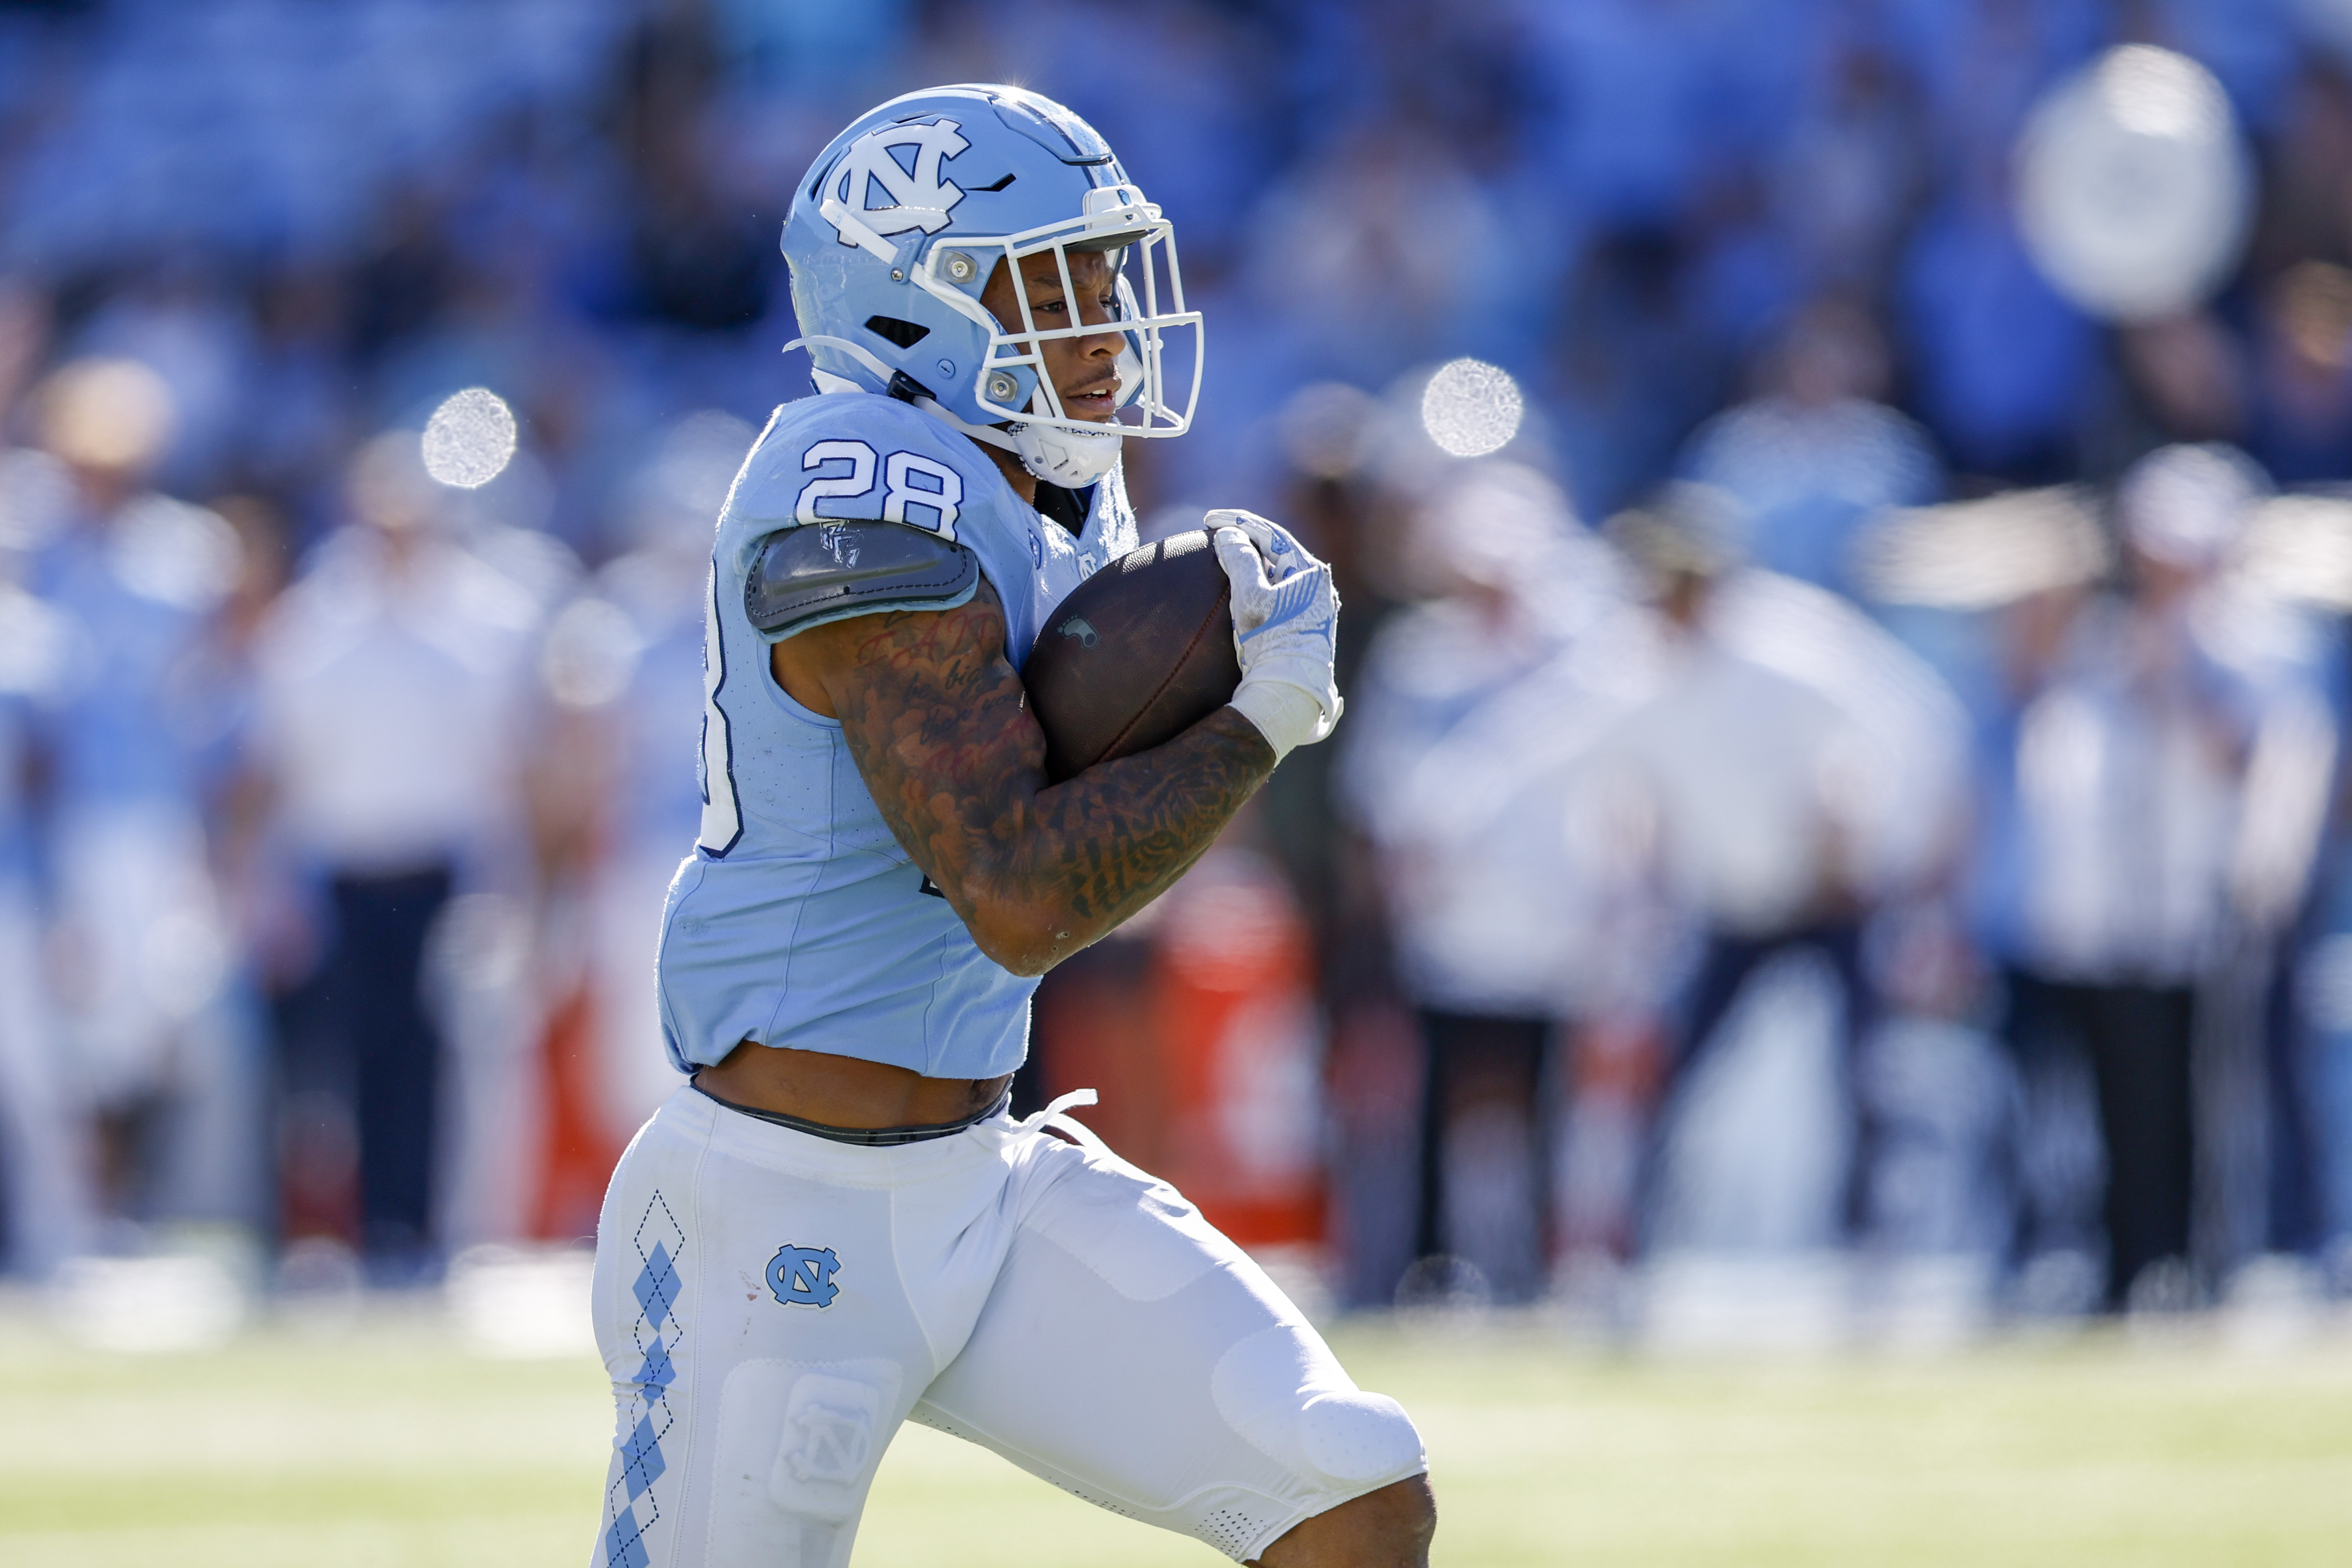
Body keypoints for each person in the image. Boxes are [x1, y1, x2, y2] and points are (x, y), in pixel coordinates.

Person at [589, 86, 1433, 1568]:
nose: (1103, 317)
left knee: (1347, 1492)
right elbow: (1016, 890)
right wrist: (1251, 723)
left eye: (1106, 272)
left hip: (983, 1168)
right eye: (1051, 279)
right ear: (911, 305)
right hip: (777, 1201)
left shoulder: (1051, 484)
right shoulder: (851, 481)